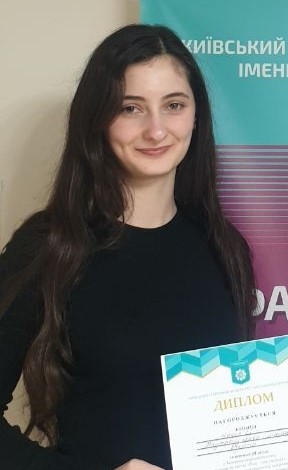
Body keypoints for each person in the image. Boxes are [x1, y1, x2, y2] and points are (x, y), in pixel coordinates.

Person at [0, 24, 256, 470]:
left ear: (196, 116)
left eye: (173, 105)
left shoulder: (223, 245)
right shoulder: (48, 246)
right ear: (97, 119)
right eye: (130, 108)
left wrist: (286, 413)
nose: (156, 130)